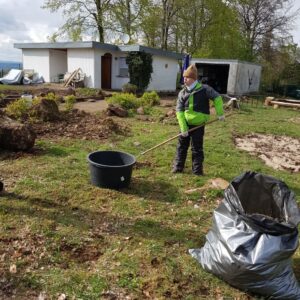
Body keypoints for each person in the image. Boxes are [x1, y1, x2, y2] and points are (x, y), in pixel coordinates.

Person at [172, 64, 225, 175]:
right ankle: (178, 167)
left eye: (187, 77)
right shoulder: (182, 93)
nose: (184, 79)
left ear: (193, 78)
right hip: (185, 124)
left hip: (199, 125)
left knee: (197, 148)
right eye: (184, 77)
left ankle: (197, 171)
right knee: (181, 147)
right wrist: (183, 128)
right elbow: (179, 111)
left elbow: (217, 98)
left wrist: (220, 113)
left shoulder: (205, 89)